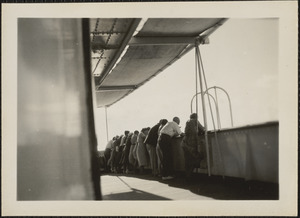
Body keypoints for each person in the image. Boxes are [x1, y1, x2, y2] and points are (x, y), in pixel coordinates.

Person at [182, 113, 205, 179]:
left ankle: (188, 176)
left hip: (185, 143)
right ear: (196, 117)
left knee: (187, 161)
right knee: (198, 157)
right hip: (190, 144)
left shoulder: (188, 122)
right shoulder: (195, 121)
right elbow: (202, 129)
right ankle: (190, 176)